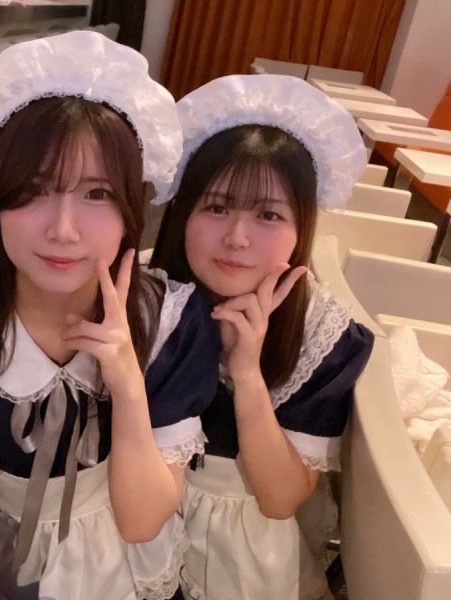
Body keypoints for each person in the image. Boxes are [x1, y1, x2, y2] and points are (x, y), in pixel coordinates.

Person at [0, 31, 221, 600]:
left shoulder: (170, 323)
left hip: (116, 567)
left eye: (97, 194)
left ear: (130, 210)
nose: (63, 229)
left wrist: (125, 382)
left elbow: (143, 521)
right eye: (34, 190)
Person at [149, 74, 376, 600]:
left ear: (302, 228)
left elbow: (279, 499)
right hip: (133, 536)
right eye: (216, 207)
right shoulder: (144, 299)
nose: (237, 238)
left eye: (268, 214)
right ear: (182, 211)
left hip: (243, 563)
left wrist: (247, 373)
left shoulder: (325, 336)